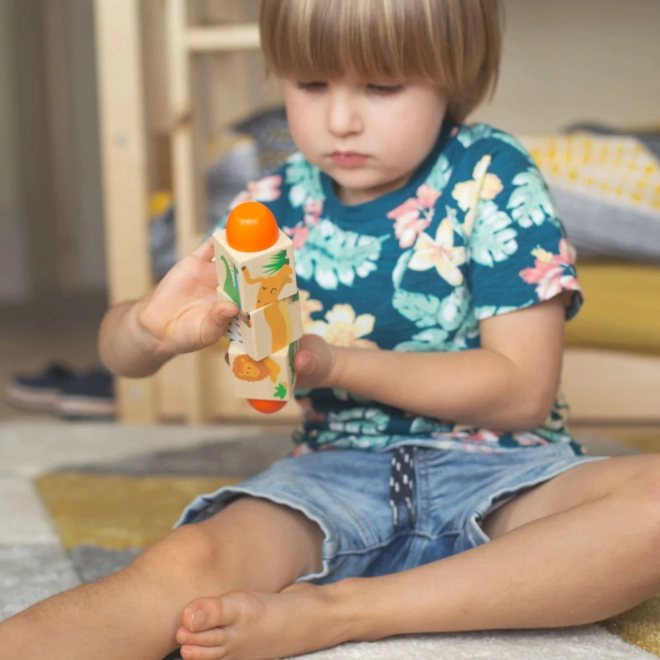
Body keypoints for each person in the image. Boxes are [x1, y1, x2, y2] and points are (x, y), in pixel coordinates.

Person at [3, 1, 659, 658]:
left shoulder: (493, 174)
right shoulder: (270, 202)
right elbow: (118, 354)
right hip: (331, 477)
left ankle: (343, 610)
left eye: (382, 86)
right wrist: (149, 329)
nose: (341, 120)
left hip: (507, 474)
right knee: (185, 561)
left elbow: (521, 392)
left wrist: (335, 364)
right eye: (311, 84)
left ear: (454, 75)